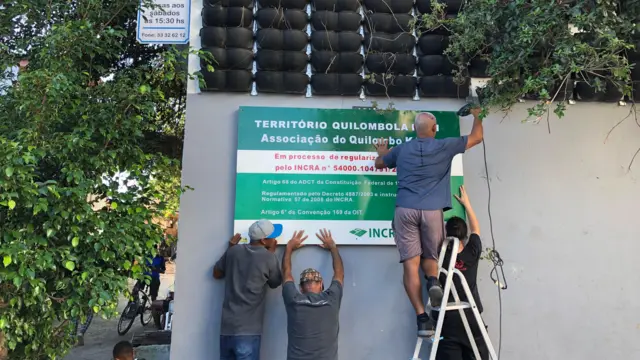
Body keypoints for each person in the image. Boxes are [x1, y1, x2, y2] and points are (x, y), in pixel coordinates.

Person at [373, 108, 484, 337]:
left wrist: (382, 151)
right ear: (434, 129)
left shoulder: (402, 149)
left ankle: (422, 318)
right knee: (431, 256)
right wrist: (477, 114)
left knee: (410, 264)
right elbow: (477, 138)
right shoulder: (444, 145)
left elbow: (380, 164)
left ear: (415, 129)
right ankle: (433, 280)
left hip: (405, 209)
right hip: (432, 211)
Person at [213, 219, 287, 360]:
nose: (275, 239)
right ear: (264, 241)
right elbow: (275, 282)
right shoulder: (268, 258)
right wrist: (271, 254)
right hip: (248, 330)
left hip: (227, 328)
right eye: (272, 236)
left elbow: (216, 273)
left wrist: (230, 247)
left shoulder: (233, 251)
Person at [435, 185, 489, 360]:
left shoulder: (439, 256)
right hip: (472, 319)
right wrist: (467, 204)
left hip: (448, 320)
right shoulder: (472, 251)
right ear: (465, 236)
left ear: (446, 235)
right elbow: (476, 228)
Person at [281, 229, 344, 360]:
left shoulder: (293, 299)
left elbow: (286, 272)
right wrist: (332, 247)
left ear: (301, 288)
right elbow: (339, 274)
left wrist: (289, 248)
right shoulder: (331, 299)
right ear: (321, 285)